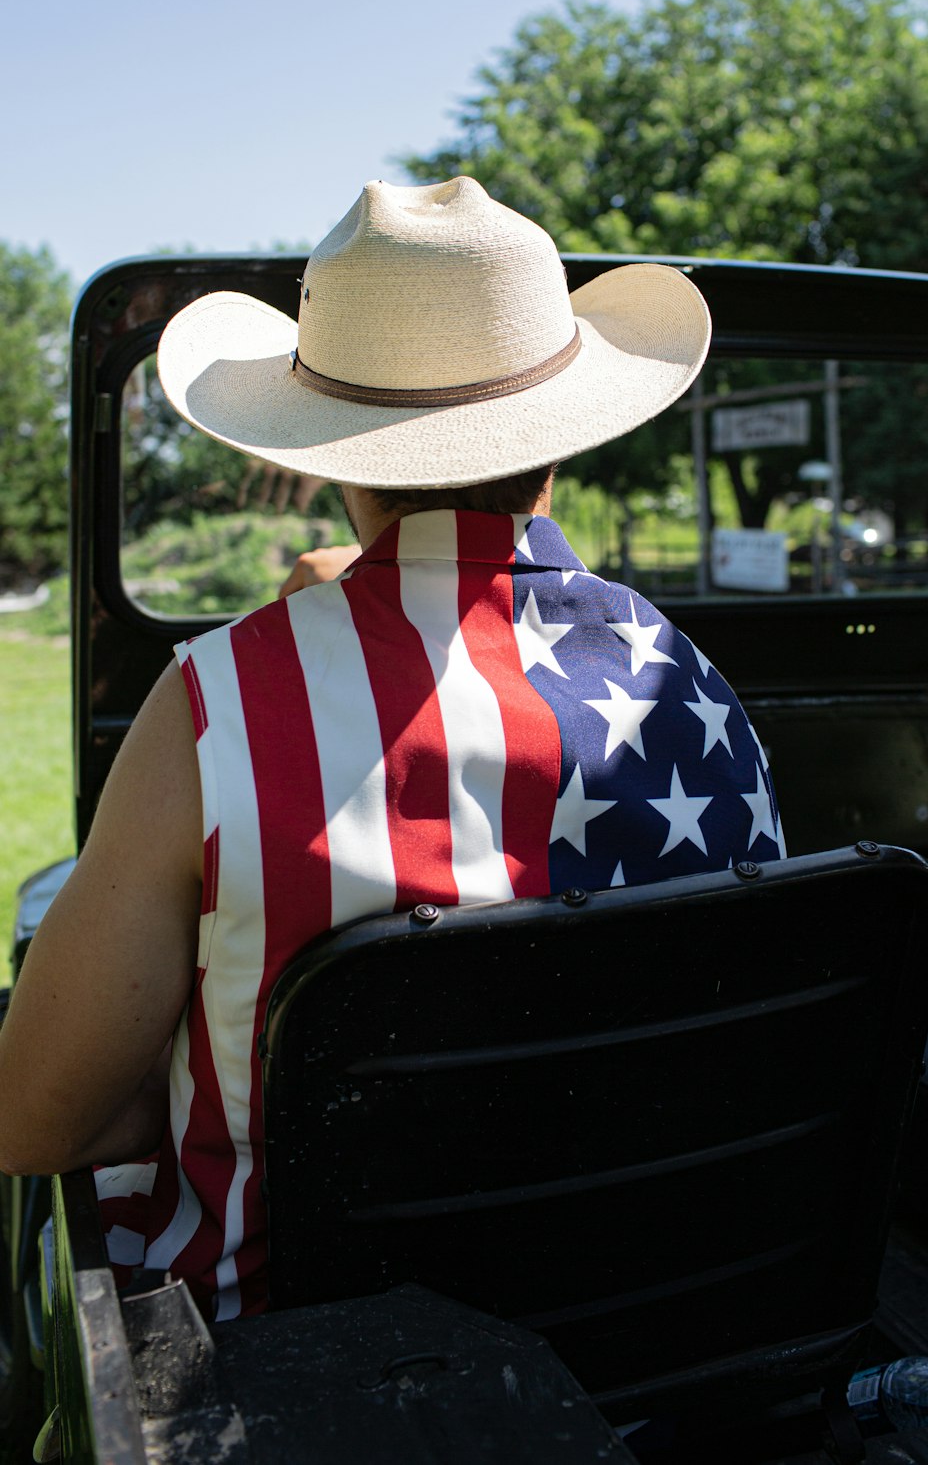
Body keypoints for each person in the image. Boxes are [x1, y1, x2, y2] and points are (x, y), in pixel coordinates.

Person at [0, 177, 783, 1320]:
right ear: (555, 443)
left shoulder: (218, 703)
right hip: (657, 1326)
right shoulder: (686, 675)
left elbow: (34, 1116)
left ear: (331, 456)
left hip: (295, 1364)